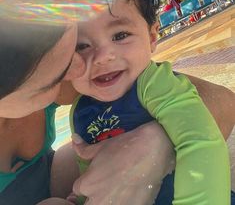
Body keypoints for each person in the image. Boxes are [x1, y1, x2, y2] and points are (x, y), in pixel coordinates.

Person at [0, 18, 234, 205]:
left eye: (75, 48)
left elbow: (223, 102)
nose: (83, 66)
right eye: (55, 75)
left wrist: (156, 143)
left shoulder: (48, 72)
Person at [68, 0, 230, 205]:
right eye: (81, 46)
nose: (102, 56)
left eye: (120, 35)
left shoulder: (154, 83)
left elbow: (200, 142)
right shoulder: (79, 109)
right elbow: (94, 170)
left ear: (152, 37)